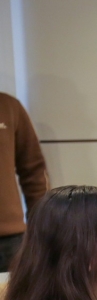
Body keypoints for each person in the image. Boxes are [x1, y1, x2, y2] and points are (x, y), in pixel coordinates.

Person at [0, 93, 49, 272]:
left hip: (8, 240)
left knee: (13, 290)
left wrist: (41, 225)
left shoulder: (9, 106)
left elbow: (34, 170)